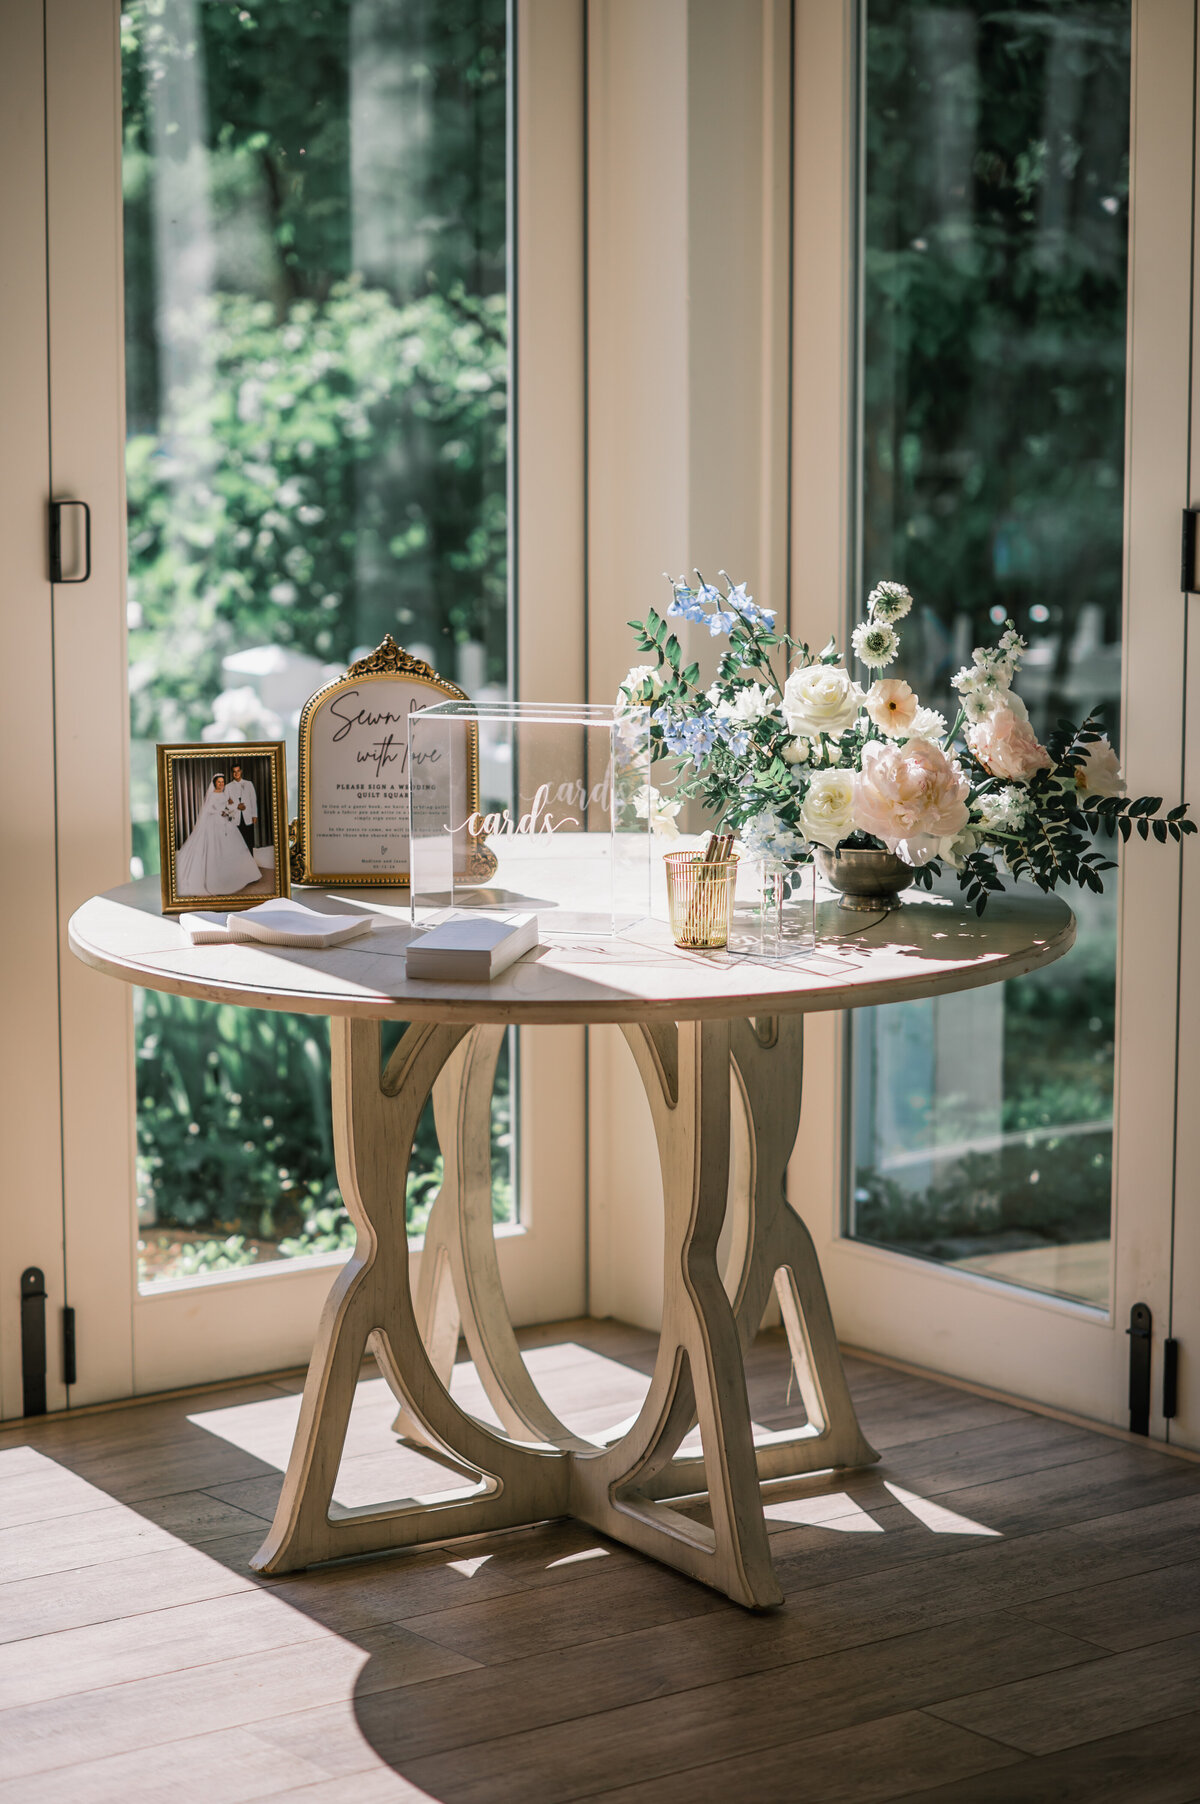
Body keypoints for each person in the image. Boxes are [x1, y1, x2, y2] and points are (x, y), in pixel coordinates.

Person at [175, 775, 262, 897]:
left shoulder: (225, 793)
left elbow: (228, 806)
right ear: (215, 783)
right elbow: (208, 810)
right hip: (215, 822)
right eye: (219, 782)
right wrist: (220, 812)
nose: (221, 784)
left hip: (226, 821)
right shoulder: (212, 794)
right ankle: (219, 879)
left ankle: (246, 875)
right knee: (218, 848)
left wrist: (229, 809)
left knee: (235, 846)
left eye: (222, 782)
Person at [225, 762, 259, 858]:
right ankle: (239, 863)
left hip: (248, 816)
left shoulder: (249, 784)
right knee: (237, 842)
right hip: (236, 818)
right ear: (232, 773)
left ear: (241, 771)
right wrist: (236, 806)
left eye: (238, 771)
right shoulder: (228, 787)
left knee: (249, 841)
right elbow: (226, 804)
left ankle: (250, 862)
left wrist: (254, 815)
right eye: (234, 772)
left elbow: (253, 800)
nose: (236, 773)